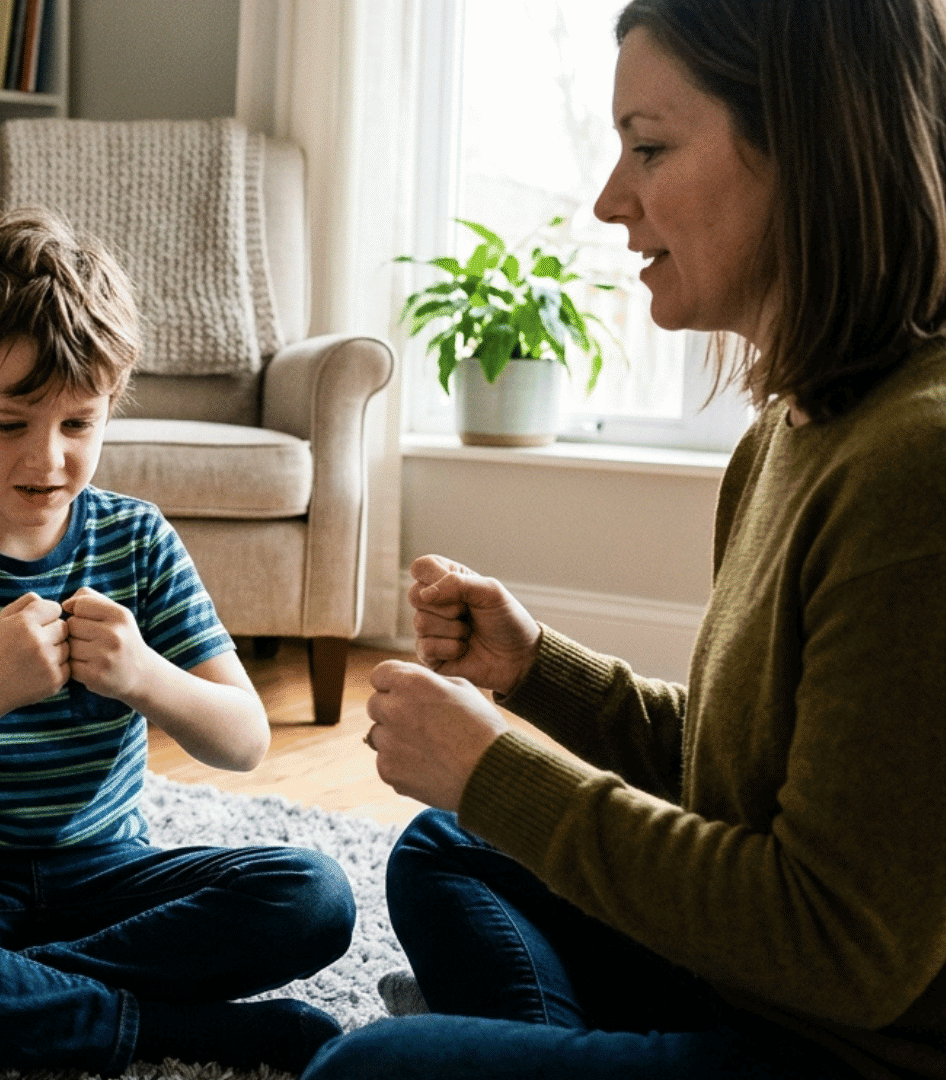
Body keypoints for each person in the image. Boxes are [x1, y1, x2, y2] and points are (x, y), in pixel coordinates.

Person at [304, 0, 946, 1077]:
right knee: (448, 852)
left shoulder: (918, 469)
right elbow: (752, 781)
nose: (609, 199)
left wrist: (497, 767)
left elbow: (843, 949)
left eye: (649, 147)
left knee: (354, 1072)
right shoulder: (790, 434)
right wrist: (536, 671)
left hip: (851, 1043)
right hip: (747, 985)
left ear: (815, 148)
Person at [0, 210, 358, 1079]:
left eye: (79, 425)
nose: (47, 460)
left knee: (313, 894)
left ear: (110, 404)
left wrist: (145, 677)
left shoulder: (137, 539)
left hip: (106, 884)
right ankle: (168, 1029)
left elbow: (243, 739)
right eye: (9, 425)